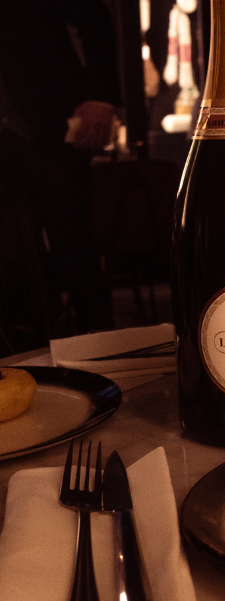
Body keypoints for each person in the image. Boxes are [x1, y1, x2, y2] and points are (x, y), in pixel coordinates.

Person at [0, 0, 122, 351]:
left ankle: (101, 355)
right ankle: (22, 356)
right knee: (13, 254)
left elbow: (93, 16)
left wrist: (100, 97)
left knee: (73, 244)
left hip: (45, 121)